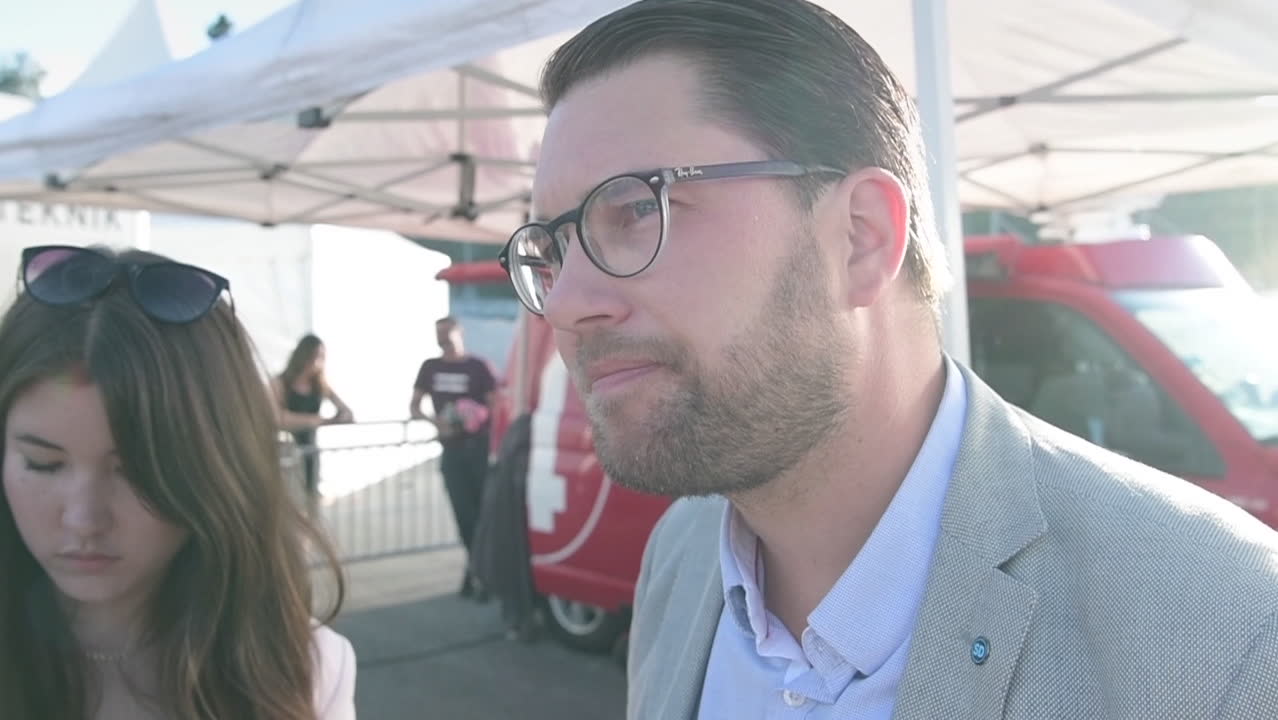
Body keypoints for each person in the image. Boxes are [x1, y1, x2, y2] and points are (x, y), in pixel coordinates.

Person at [498, 1, 1278, 718]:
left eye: (637, 209)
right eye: (553, 247)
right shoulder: (681, 556)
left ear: (862, 236)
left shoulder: (1228, 636)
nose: (565, 302)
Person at [0, 245, 356, 719]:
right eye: (43, 463)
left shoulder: (307, 668)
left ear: (216, 468)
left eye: (138, 471)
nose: (84, 518)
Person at [410, 316, 497, 599]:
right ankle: (476, 571)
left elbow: (496, 404)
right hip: (452, 451)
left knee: (483, 515)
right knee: (464, 516)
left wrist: (476, 415)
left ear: (460, 333)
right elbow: (415, 406)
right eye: (439, 335)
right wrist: (438, 423)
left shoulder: (478, 366)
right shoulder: (430, 367)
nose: (443, 340)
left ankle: (481, 574)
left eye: (447, 334)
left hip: (478, 449)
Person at [272, 334, 355, 498]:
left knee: (311, 500)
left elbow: (347, 412)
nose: (317, 363)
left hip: (310, 453)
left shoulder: (320, 385)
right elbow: (278, 418)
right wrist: (315, 420)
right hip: (285, 455)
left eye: (321, 358)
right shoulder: (280, 382)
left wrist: (334, 420)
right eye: (314, 357)